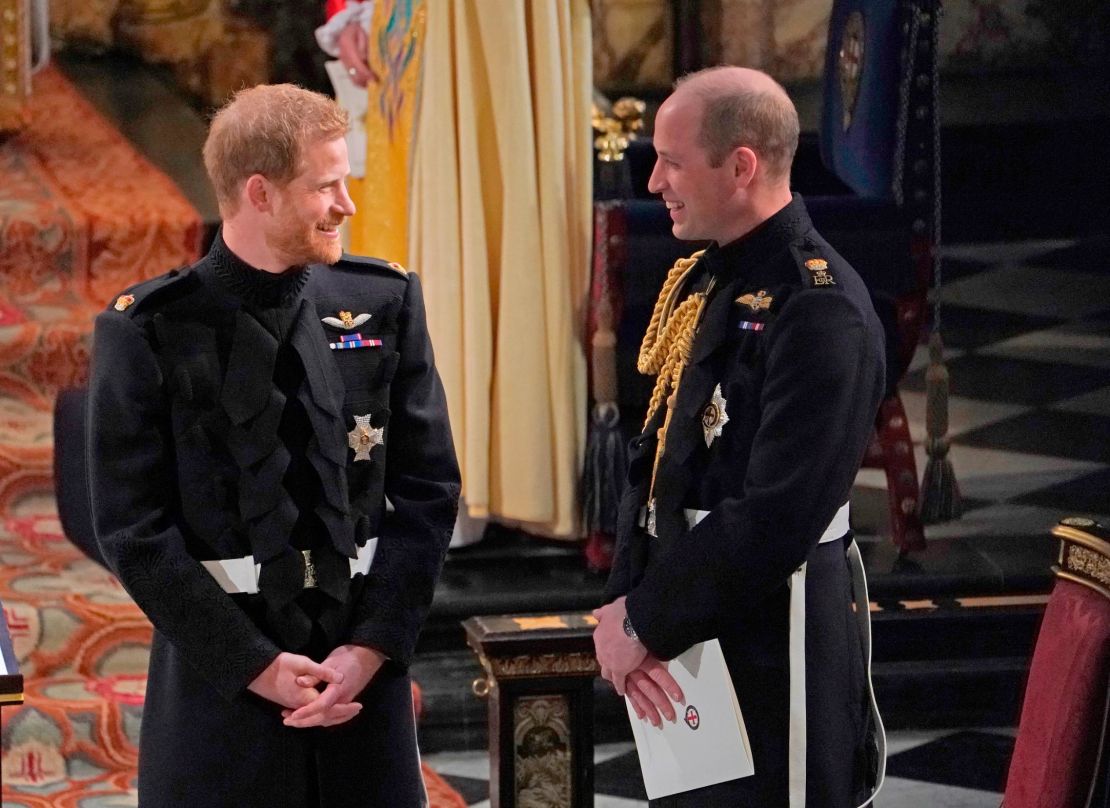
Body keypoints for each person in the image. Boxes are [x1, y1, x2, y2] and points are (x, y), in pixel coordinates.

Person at [86, 83, 460, 807]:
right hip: (220, 694)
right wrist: (253, 665)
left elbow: (428, 490)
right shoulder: (148, 331)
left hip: (363, 690)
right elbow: (132, 532)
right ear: (260, 192)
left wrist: (371, 648)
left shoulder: (384, 301)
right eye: (326, 186)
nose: (346, 204)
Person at [593, 66, 886, 807]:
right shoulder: (707, 279)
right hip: (685, 621)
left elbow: (777, 515)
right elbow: (655, 463)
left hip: (768, 640)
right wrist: (624, 601)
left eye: (672, 160)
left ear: (742, 164)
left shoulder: (820, 310)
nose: (654, 180)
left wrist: (647, 619)